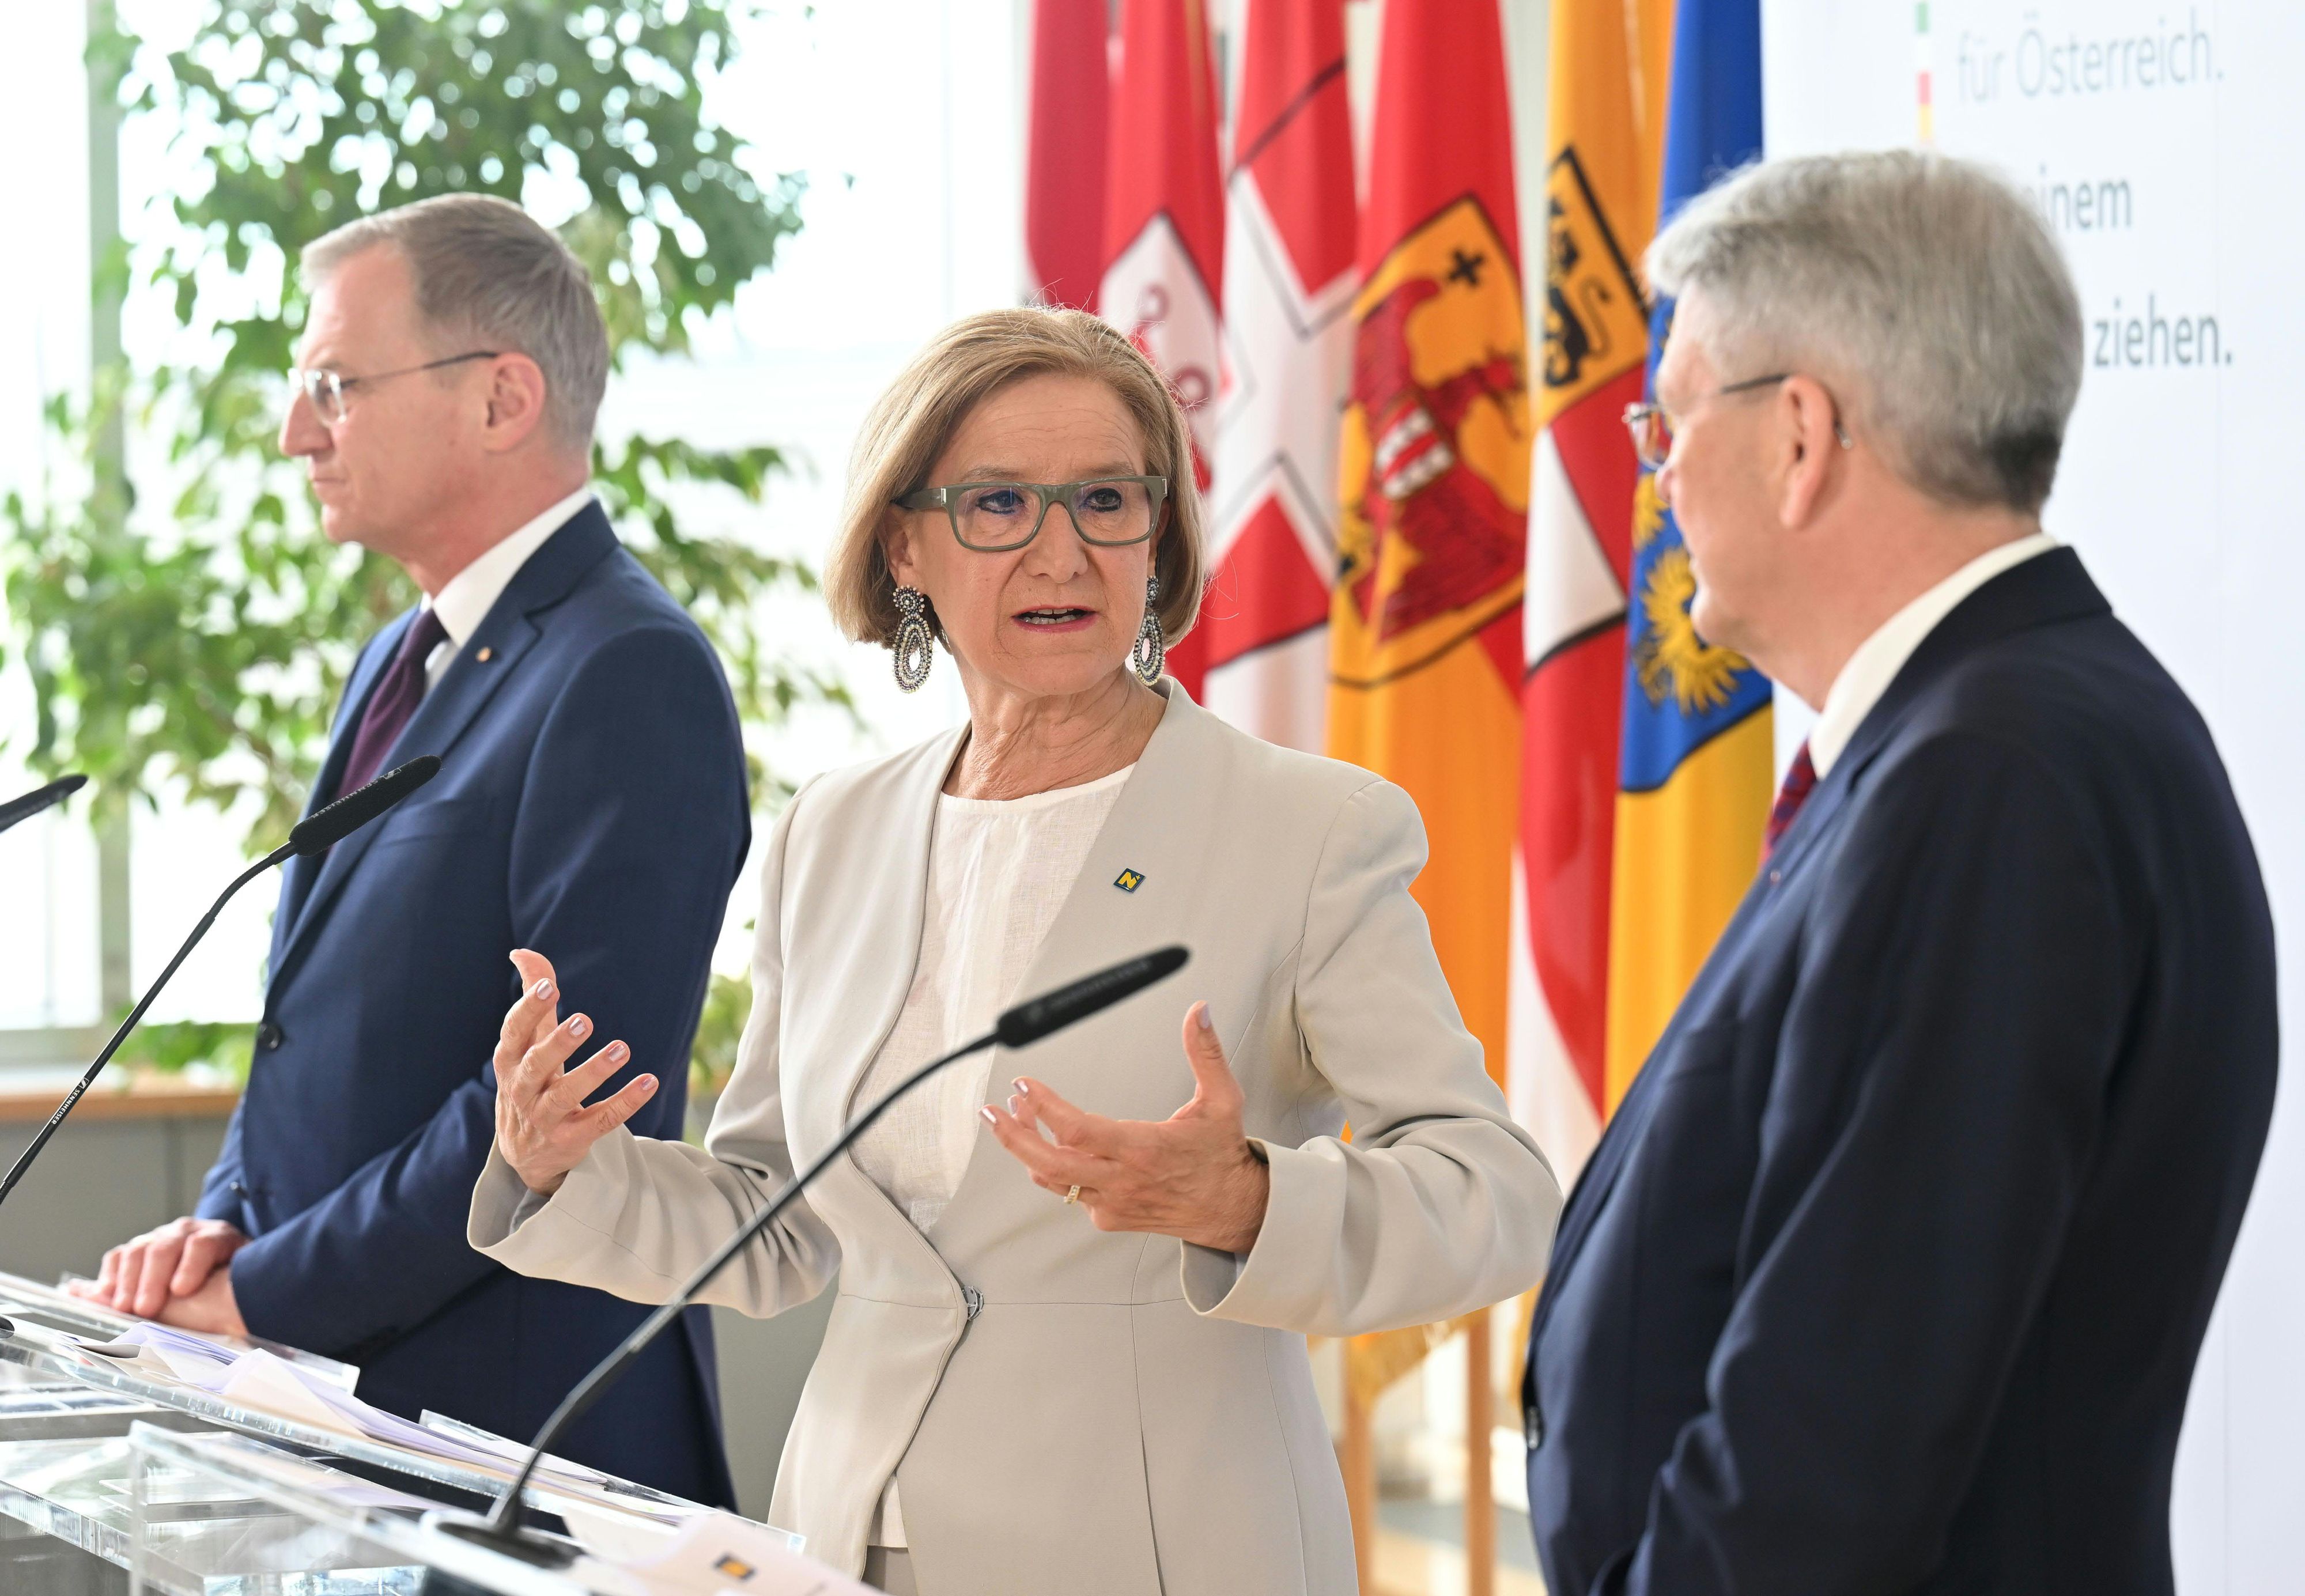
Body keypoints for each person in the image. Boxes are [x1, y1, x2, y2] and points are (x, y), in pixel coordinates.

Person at [468, 307, 1561, 1594]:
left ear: (1155, 539)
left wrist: (1250, 1199)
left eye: (1106, 498)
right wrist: (561, 1168)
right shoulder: (835, 827)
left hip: (1162, 1545)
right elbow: (776, 1216)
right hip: (844, 1530)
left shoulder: (1309, 829)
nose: (1063, 550)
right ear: (904, 544)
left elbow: (1496, 1198)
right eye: (996, 503)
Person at [1522, 150, 2277, 1595]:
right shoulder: (2013, 728)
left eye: (1663, 420)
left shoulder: (1983, 784)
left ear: (1799, 433)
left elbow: (1821, 1464)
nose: (1656, 476)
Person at [70, 195, 748, 1508]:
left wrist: (260, 1290)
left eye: (334, 384)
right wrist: (227, 1220)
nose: (294, 431)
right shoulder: (403, 652)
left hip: (516, 1447)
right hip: (350, 1427)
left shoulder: (627, 669)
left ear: (501, 398)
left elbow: (558, 1100)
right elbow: (314, 1028)